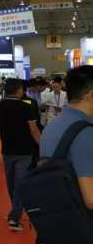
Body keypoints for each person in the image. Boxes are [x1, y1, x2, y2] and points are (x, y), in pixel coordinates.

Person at [41, 66, 93, 211]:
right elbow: (91, 199)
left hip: (60, 212)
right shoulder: (85, 132)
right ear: (91, 95)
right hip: (81, 217)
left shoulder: (55, 124)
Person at [0, 78, 41, 231]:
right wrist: (41, 145)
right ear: (19, 90)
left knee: (11, 183)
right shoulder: (26, 106)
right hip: (25, 150)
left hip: (7, 150)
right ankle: (14, 218)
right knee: (20, 184)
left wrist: (4, 139)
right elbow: (33, 129)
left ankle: (15, 212)